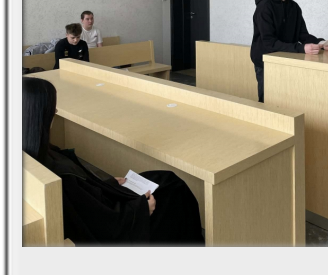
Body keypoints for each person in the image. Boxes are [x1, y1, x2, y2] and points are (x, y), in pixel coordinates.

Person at [22, 77, 204, 246]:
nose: (55, 114)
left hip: (103, 205)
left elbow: (86, 201)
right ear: (41, 117)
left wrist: (105, 184)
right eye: (52, 111)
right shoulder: (59, 176)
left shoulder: (32, 153)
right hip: (120, 226)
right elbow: (101, 226)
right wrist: (142, 209)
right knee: (175, 190)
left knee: (164, 179)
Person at [250, 0, 328, 103]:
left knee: (287, 101)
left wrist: (321, 43)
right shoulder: (264, 7)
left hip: (288, 59)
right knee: (268, 102)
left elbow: (302, 35)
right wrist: (301, 48)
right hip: (265, 61)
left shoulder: (294, 7)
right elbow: (269, 42)